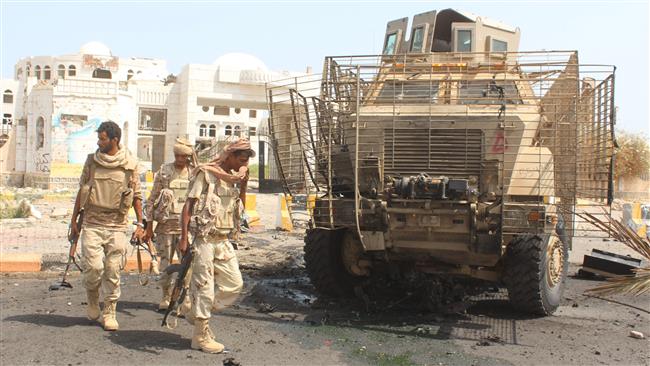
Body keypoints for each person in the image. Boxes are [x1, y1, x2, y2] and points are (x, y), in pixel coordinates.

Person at [179, 139, 253, 353]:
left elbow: (240, 207)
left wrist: (244, 183)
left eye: (246, 160)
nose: (243, 164)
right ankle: (200, 336)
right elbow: (188, 205)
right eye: (241, 159)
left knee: (234, 284)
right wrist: (184, 238)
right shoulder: (207, 173)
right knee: (204, 288)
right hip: (204, 239)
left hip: (223, 240)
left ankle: (195, 314)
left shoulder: (234, 179)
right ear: (229, 155)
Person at [70, 121, 145, 331]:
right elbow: (82, 190)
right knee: (93, 267)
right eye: (99, 138)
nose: (98, 142)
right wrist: (74, 221)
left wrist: (140, 223)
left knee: (113, 269)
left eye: (102, 138)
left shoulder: (130, 163)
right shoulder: (92, 162)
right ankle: (93, 299)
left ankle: (110, 311)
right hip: (92, 223)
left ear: (114, 140)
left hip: (117, 225)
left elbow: (137, 195)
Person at [143, 138, 194, 311]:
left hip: (187, 228)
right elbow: (151, 200)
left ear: (188, 156)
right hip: (165, 226)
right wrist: (148, 226)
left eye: (183, 156)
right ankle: (166, 296)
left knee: (187, 265)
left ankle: (184, 299)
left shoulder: (194, 173)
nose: (180, 159)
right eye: (177, 155)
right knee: (165, 265)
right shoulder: (164, 171)